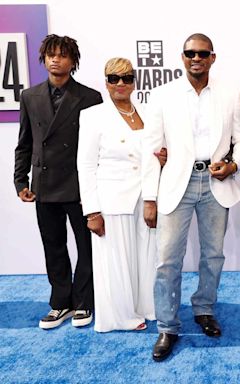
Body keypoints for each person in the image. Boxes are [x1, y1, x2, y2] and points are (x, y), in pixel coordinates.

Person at [142, 33, 240, 362]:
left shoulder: (230, 94)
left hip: (216, 183)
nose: (196, 58)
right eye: (190, 53)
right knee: (167, 261)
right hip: (177, 182)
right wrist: (150, 197)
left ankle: (204, 309)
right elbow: (151, 150)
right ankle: (167, 326)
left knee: (213, 256)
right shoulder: (163, 95)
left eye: (203, 53)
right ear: (183, 56)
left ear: (213, 57)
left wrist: (233, 164)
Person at [14, 34, 102, 329]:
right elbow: (24, 142)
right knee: (53, 245)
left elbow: (98, 148)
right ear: (43, 58)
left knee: (87, 246)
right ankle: (59, 302)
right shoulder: (29, 96)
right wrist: (20, 181)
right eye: (51, 54)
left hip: (80, 185)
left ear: (73, 61)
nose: (56, 60)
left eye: (62, 55)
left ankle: (85, 301)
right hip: (44, 183)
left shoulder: (90, 97)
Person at [77, 58, 160, 332]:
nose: (120, 83)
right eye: (114, 78)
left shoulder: (148, 112)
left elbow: (154, 153)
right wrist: (91, 211)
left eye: (126, 78)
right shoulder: (92, 115)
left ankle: (146, 307)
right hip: (111, 199)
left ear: (135, 81)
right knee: (115, 260)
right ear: (106, 83)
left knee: (145, 257)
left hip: (146, 195)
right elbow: (86, 165)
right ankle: (120, 317)